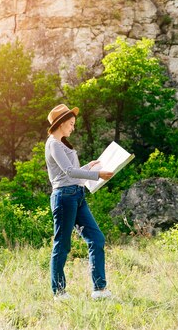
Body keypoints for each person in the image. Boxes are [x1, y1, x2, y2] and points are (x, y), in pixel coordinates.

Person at [45, 104, 114, 301]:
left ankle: (99, 290)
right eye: (71, 124)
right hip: (64, 197)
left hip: (77, 194)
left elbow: (71, 172)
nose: (73, 128)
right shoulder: (53, 144)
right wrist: (97, 174)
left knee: (96, 239)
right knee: (62, 245)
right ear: (61, 123)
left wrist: (88, 166)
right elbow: (68, 173)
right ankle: (59, 292)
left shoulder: (62, 143)